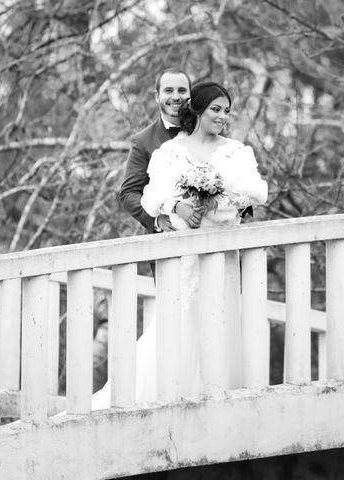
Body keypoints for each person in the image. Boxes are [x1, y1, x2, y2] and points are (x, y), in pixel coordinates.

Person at [92, 82, 267, 408]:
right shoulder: (169, 151)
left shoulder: (237, 151)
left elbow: (254, 193)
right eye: (215, 109)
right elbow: (150, 197)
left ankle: (222, 399)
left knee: (223, 321)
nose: (222, 116)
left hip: (223, 256)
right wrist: (178, 207)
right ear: (198, 109)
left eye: (226, 110)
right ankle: (170, 397)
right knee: (180, 323)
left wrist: (222, 204)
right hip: (185, 256)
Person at [119, 68, 192, 234]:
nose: (175, 97)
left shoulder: (206, 132)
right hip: (166, 240)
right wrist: (156, 219)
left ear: (190, 95)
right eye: (168, 91)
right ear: (157, 96)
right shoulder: (142, 141)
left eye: (182, 90)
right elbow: (129, 193)